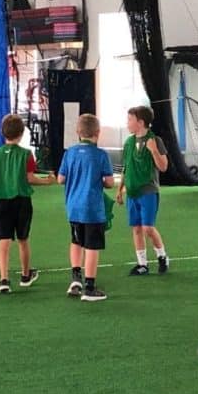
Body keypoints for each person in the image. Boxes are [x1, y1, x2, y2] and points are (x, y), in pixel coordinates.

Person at [0, 114, 55, 294]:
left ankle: (4, 280)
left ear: (2, 132)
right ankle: (25, 275)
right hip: (22, 201)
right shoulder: (26, 155)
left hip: (1, 202)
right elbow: (30, 178)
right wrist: (47, 181)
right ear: (22, 133)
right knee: (23, 239)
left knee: (4, 241)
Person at [57, 114, 115, 302]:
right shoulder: (101, 155)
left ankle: (76, 278)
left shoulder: (69, 153)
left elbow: (61, 179)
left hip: (73, 207)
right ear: (98, 133)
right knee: (92, 246)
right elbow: (109, 182)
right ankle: (89, 288)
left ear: (78, 132)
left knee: (76, 241)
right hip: (92, 208)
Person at [115, 105, 170, 275]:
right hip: (132, 191)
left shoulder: (155, 140)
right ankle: (142, 264)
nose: (127, 123)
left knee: (148, 228)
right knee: (136, 228)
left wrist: (154, 151)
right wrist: (120, 188)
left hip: (148, 190)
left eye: (130, 119)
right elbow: (126, 167)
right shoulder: (129, 142)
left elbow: (163, 167)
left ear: (140, 122)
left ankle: (162, 256)